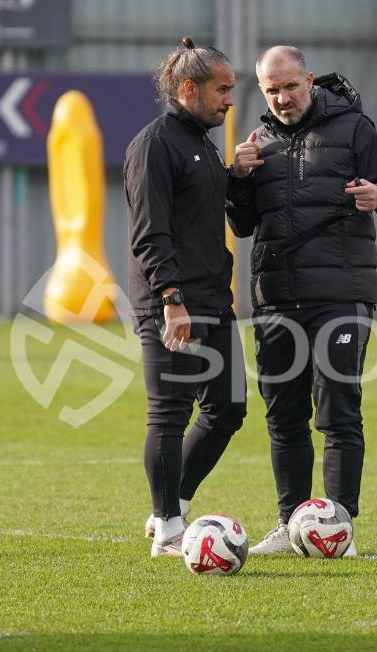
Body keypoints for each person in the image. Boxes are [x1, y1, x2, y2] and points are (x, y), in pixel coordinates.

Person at [226, 46, 377, 555]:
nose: (283, 98)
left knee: (337, 410)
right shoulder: (258, 142)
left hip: (341, 294)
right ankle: (289, 523)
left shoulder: (354, 129)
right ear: (262, 91)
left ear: (309, 80)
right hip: (275, 298)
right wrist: (237, 180)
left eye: (290, 86)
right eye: (272, 90)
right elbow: (243, 226)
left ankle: (339, 525)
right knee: (283, 415)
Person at [124, 38, 247, 558]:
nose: (230, 101)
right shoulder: (154, 144)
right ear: (188, 89)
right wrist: (170, 298)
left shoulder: (203, 145)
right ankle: (170, 531)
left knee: (229, 408)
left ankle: (170, 505)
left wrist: (235, 175)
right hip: (171, 302)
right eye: (222, 90)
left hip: (213, 299)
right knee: (169, 414)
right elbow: (149, 232)